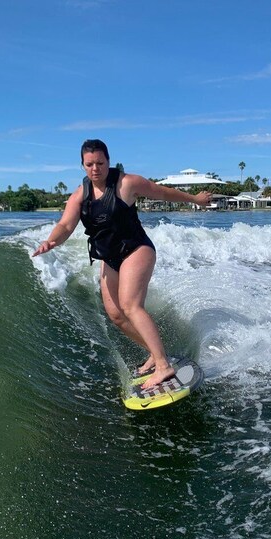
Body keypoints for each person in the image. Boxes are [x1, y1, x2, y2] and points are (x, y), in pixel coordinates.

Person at [32, 139, 212, 389]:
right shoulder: (80, 195)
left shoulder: (126, 183)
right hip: (110, 259)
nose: (95, 168)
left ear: (108, 161)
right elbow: (65, 225)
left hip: (136, 250)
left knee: (130, 305)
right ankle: (154, 352)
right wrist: (51, 241)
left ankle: (163, 365)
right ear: (83, 165)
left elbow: (161, 192)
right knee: (116, 315)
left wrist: (194, 198)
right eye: (89, 164)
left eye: (100, 163)